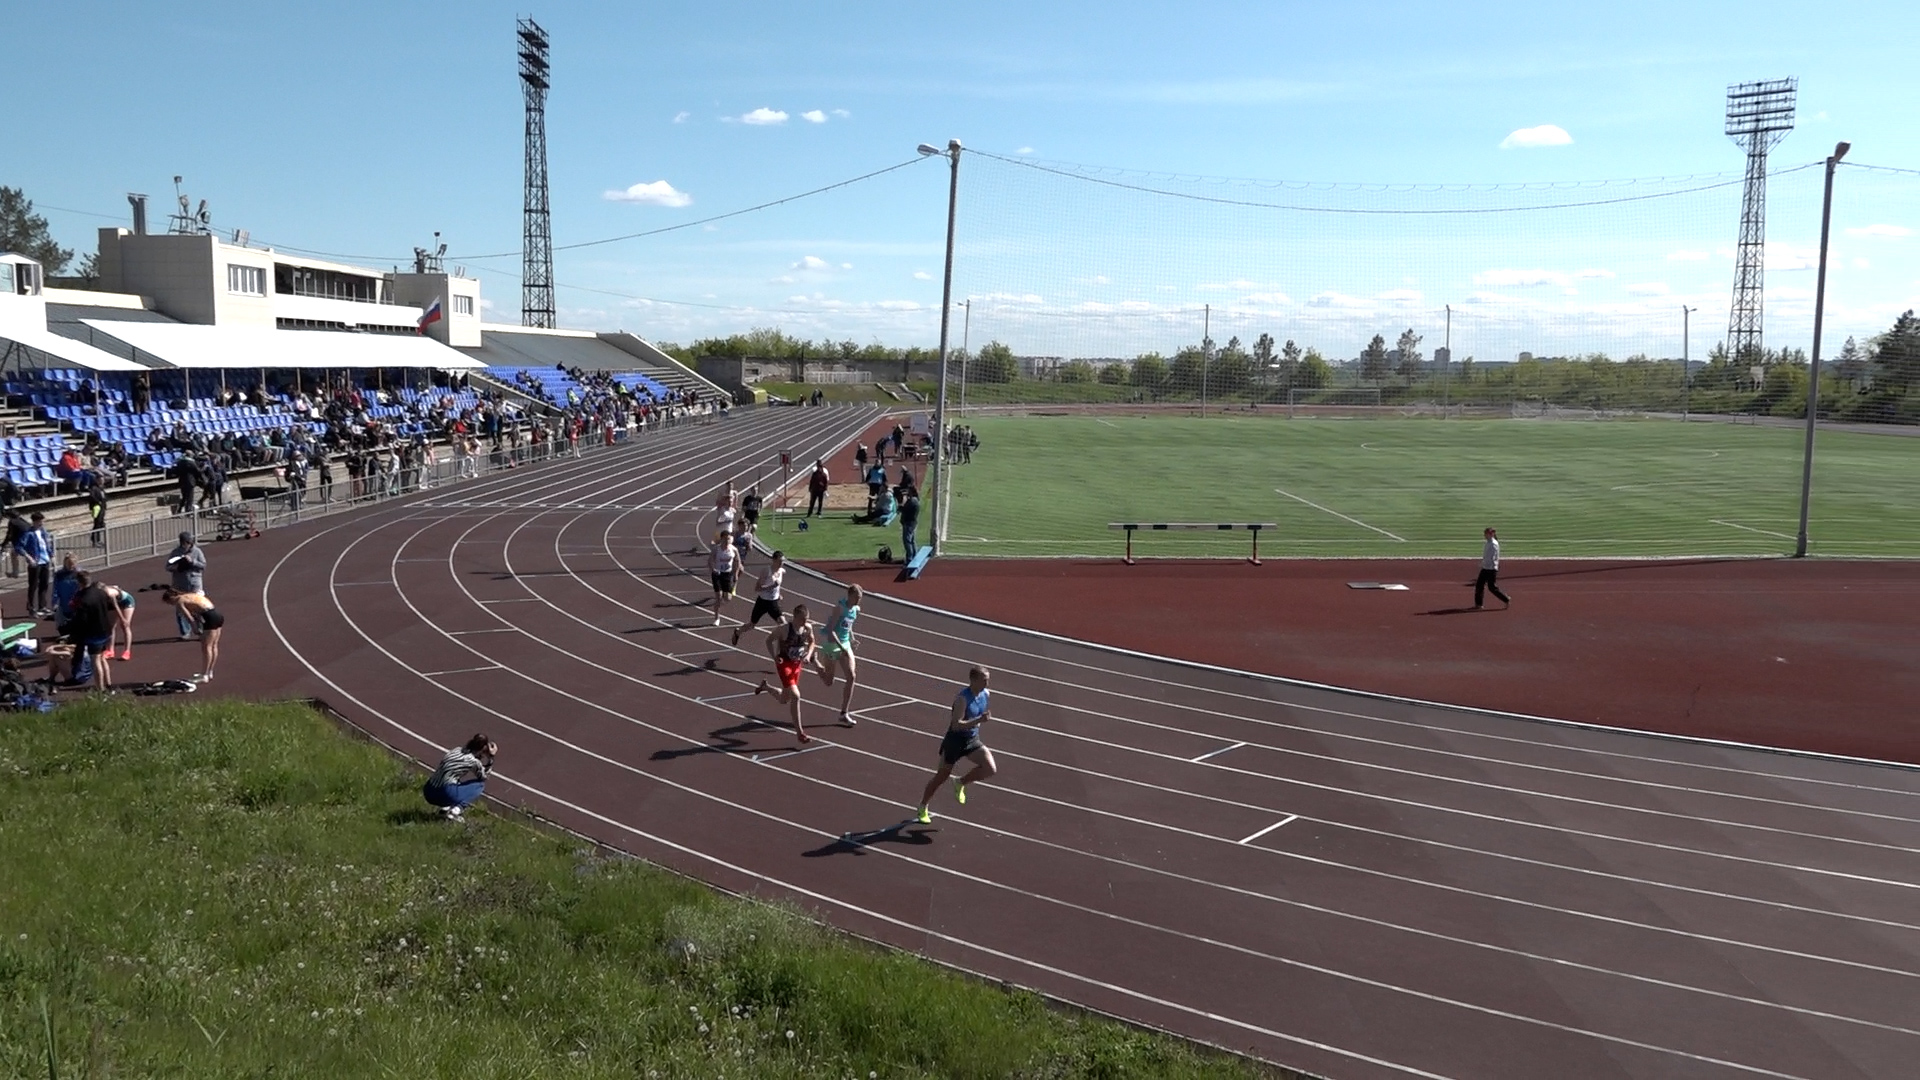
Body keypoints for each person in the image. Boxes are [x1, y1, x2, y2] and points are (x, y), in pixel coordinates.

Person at [914, 666, 999, 824]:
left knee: (990, 768)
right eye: (984, 680)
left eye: (988, 680)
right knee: (941, 776)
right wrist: (979, 720)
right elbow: (956, 725)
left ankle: (960, 782)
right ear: (973, 680)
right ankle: (923, 806)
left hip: (971, 740)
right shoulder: (962, 699)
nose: (987, 683)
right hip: (954, 742)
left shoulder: (986, 694)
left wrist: (978, 723)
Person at [753, 603, 818, 741]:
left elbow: (812, 642)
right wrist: (774, 657)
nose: (805, 621)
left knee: (784, 699)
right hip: (784, 665)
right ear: (795, 617)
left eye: (807, 619)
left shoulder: (807, 628)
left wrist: (808, 655)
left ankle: (766, 687)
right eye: (803, 619)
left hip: (797, 665)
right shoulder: (784, 629)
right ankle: (800, 733)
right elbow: (769, 640)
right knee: (796, 695)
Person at [814, 583, 862, 724]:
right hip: (832, 645)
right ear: (850, 596)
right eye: (857, 597)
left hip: (845, 644)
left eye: (860, 598)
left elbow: (848, 625)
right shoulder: (839, 609)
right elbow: (831, 631)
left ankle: (844, 713)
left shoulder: (856, 610)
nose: (858, 601)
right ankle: (814, 661)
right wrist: (841, 648)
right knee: (829, 681)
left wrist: (852, 639)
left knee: (851, 676)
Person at [423, 734, 496, 820]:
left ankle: (445, 809)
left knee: (455, 779)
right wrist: (491, 758)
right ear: (483, 748)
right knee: (480, 785)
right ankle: (456, 810)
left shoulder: (456, 750)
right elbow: (484, 776)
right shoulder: (473, 761)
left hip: (428, 791)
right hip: (445, 793)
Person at [67, 572, 117, 690]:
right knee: (102, 657)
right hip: (105, 629)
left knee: (95, 660)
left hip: (93, 633)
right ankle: (108, 684)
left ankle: (100, 689)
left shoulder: (84, 599)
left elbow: (81, 619)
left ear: (79, 583)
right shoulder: (101, 592)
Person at [162, 588, 224, 682]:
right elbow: (198, 612)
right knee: (214, 645)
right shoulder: (191, 595)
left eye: (169, 602)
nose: (171, 604)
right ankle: (209, 672)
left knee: (206, 647)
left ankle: (204, 675)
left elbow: (189, 617)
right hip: (217, 614)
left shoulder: (179, 601)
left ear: (171, 598)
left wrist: (195, 628)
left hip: (209, 617)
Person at [732, 551, 787, 647]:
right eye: (780, 561)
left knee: (783, 624)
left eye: (783, 561)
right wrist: (771, 586)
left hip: (773, 603)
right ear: (774, 560)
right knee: (752, 625)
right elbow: (757, 588)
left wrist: (778, 594)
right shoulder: (767, 571)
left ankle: (783, 646)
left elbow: (777, 586)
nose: (782, 563)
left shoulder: (781, 571)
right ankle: (738, 632)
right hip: (763, 602)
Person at [165, 532, 207, 638]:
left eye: (189, 542)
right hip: (179, 584)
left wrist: (192, 562)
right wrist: (177, 567)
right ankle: (185, 632)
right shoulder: (175, 552)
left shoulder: (197, 551)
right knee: (180, 608)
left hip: (194, 583)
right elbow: (168, 567)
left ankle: (201, 630)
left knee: (197, 607)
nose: (187, 544)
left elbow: (203, 565)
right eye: (185, 542)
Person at [20, 513, 53, 619]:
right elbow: (19, 547)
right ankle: (31, 608)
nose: (42, 523)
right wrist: (29, 557)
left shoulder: (43, 531)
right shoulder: (28, 533)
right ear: (35, 522)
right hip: (35, 562)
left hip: (45, 561)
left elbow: (47, 545)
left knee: (44, 584)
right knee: (33, 586)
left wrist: (51, 555)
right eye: (40, 521)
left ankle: (42, 606)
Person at [707, 529, 739, 627]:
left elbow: (737, 561)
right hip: (717, 574)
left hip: (727, 574)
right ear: (721, 539)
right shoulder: (716, 549)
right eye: (725, 539)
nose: (727, 541)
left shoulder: (734, 549)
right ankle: (717, 618)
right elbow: (710, 560)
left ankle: (717, 605)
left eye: (728, 539)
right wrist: (713, 569)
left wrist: (736, 573)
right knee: (719, 596)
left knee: (728, 598)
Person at [1475, 526, 1511, 610]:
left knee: (1492, 587)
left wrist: (1484, 564)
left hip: (1490, 569)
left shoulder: (1493, 544)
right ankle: (1479, 604)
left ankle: (1506, 599)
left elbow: (1491, 558)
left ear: (1490, 534)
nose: (1484, 535)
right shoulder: (1488, 542)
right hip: (1486, 567)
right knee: (1479, 585)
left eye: (1486, 534)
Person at [103, 582, 136, 661]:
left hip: (126, 602)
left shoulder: (110, 594)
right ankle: (110, 650)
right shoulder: (98, 594)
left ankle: (127, 651)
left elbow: (116, 606)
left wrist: (122, 619)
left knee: (125, 626)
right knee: (110, 626)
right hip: (111, 603)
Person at [50, 553, 82, 632]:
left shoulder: (79, 573)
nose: (71, 566)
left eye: (73, 564)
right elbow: (55, 589)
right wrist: (55, 603)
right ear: (65, 563)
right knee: (62, 626)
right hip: (64, 602)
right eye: (69, 564)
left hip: (76, 602)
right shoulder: (59, 575)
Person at [899, 485, 921, 555]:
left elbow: (905, 509)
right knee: (912, 540)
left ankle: (909, 556)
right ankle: (914, 554)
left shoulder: (912, 501)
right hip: (912, 522)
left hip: (909, 523)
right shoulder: (915, 500)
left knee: (907, 541)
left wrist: (901, 505)